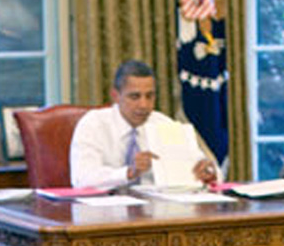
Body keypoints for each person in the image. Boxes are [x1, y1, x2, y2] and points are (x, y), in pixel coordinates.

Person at [69, 58, 217, 190]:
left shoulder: (164, 124)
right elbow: (82, 178)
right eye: (135, 96)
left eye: (150, 96)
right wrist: (129, 173)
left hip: (155, 212)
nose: (144, 105)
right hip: (102, 213)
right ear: (115, 96)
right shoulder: (93, 124)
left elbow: (202, 165)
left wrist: (208, 172)